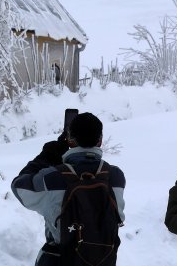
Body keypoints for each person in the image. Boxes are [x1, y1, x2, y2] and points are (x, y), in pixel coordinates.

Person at [11, 112, 126, 266]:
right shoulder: (116, 176)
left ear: (70, 140)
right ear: (100, 141)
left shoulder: (52, 178)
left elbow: (18, 186)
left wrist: (47, 156)